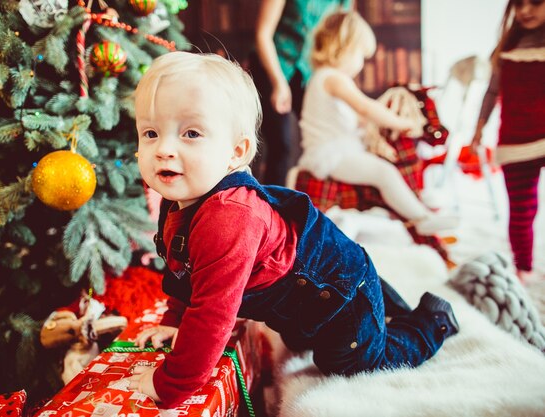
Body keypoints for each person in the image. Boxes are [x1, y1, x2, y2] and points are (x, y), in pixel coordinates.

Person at [126, 51, 459, 408]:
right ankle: (387, 306)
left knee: (353, 362)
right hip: (308, 300)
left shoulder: (228, 216)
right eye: (151, 132)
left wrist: (172, 383)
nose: (163, 149)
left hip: (341, 294)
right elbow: (186, 273)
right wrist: (175, 322)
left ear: (236, 153)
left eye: (191, 133)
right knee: (303, 339)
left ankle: (433, 319)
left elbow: (212, 313)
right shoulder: (179, 198)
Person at [297, 10, 459, 236]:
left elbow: (357, 119)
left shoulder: (322, 78)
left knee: (382, 169)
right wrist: (400, 123)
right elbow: (365, 108)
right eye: (361, 56)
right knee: (384, 172)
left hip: (336, 150)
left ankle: (414, 210)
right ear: (344, 47)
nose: (362, 64)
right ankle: (421, 218)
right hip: (331, 156)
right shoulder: (333, 78)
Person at [470, 0, 545, 282]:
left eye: (535, 3)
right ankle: (523, 268)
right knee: (522, 210)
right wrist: (479, 128)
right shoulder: (507, 47)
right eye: (519, 4)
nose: (525, 10)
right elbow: (492, 92)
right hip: (515, 141)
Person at [250, 0, 351, 185]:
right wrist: (278, 82)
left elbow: (344, 35)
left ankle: (318, 199)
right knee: (282, 145)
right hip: (272, 65)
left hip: (309, 71)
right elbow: (262, 34)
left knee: (322, 137)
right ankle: (272, 207)